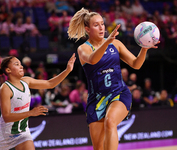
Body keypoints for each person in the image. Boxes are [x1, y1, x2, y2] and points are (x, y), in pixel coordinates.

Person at [67, 8, 159, 150]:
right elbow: (93, 59)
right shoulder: (83, 49)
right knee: (99, 147)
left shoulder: (115, 44)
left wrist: (144, 47)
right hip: (96, 100)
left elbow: (136, 64)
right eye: (96, 25)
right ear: (87, 29)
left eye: (102, 24)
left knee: (110, 122)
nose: (101, 27)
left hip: (119, 93)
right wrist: (107, 41)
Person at [0, 54, 76, 150]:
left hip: (22, 132)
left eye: (21, 64)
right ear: (8, 70)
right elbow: (6, 117)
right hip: (4, 135)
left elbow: (50, 84)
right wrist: (30, 113)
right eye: (17, 64)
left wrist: (67, 70)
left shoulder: (26, 81)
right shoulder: (5, 89)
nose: (21, 66)